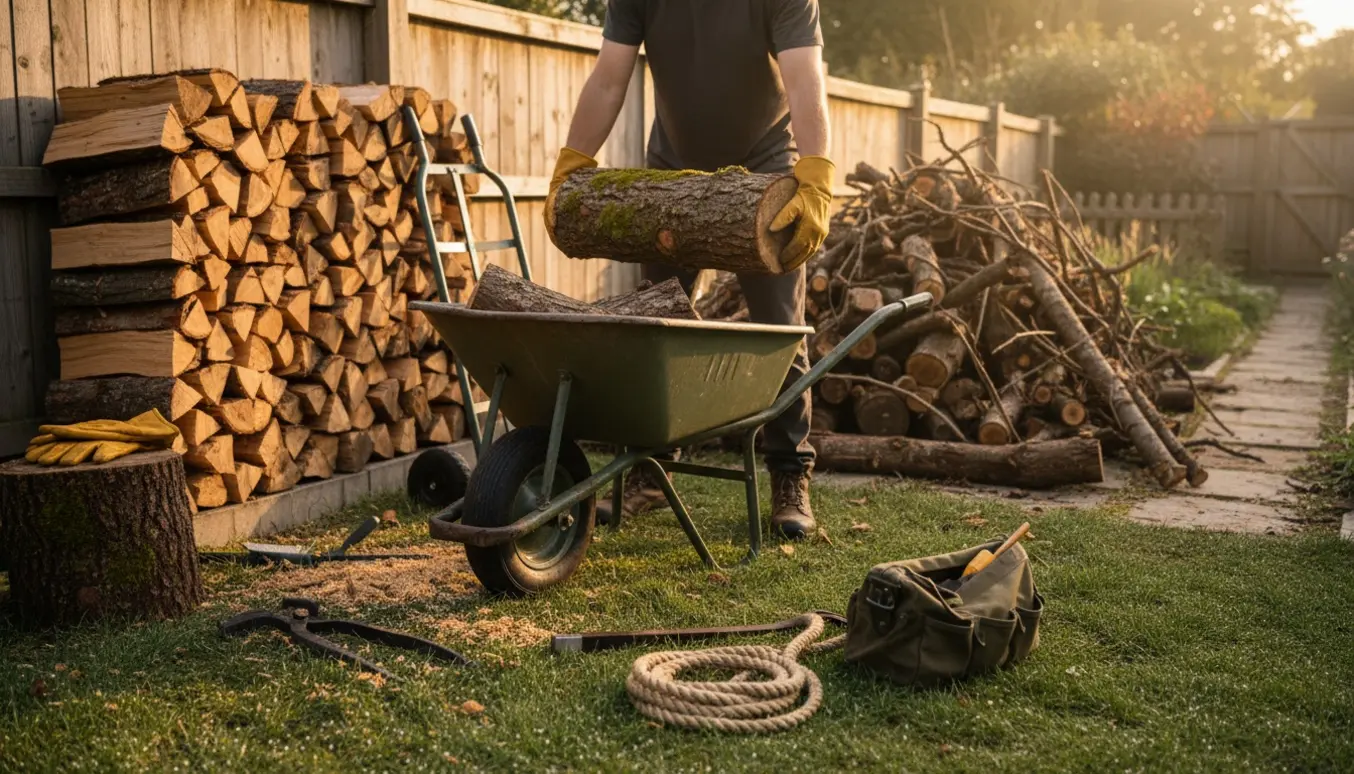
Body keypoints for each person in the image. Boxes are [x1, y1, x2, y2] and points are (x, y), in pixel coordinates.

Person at [545, 0, 833, 539]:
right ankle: (650, 471)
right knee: (656, 322)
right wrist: (574, 158)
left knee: (779, 329)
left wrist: (813, 172)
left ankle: (791, 475)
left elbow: (804, 77)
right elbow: (610, 76)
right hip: (673, 168)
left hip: (764, 172)